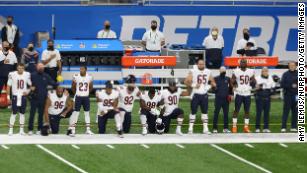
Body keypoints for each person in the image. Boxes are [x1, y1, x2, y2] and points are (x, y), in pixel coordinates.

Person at [185, 59, 216, 134]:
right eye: (200, 64)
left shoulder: (208, 71)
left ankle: (205, 129)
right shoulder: (193, 71)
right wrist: (193, 85)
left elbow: (213, 82)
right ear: (197, 64)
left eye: (202, 64)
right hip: (195, 94)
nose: (201, 65)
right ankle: (190, 128)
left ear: (204, 64)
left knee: (204, 112)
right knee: (193, 111)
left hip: (204, 95)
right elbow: (186, 81)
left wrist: (209, 87)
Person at [28, 63, 57, 135]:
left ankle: (39, 129)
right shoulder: (32, 75)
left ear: (43, 68)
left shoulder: (46, 76)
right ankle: (30, 129)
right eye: (39, 67)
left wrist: (59, 82)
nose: (41, 68)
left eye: (42, 67)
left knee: (40, 115)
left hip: (43, 99)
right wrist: (30, 88)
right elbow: (27, 83)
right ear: (37, 67)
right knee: (32, 114)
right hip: (34, 98)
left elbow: (53, 83)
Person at [67, 66, 94, 136]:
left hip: (86, 97)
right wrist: (77, 93)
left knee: (87, 113)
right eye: (80, 69)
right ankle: (73, 130)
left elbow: (91, 87)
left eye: (82, 69)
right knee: (76, 113)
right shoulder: (76, 76)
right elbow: (72, 87)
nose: (81, 70)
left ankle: (88, 130)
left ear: (86, 70)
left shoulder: (89, 76)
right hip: (78, 97)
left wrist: (86, 93)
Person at [231, 59, 256, 133]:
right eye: (242, 62)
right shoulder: (236, 71)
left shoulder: (250, 71)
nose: (243, 64)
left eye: (244, 62)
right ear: (240, 63)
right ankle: (234, 126)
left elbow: (253, 80)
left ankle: (246, 127)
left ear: (246, 63)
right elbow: (232, 81)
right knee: (236, 110)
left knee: (247, 111)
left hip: (247, 93)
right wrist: (234, 86)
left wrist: (251, 84)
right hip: (239, 93)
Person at [7, 63, 32, 135]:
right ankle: (10, 130)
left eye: (22, 68)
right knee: (14, 113)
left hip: (23, 96)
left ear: (24, 68)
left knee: (22, 113)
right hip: (15, 96)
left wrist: (27, 91)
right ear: (17, 68)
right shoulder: (12, 74)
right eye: (19, 68)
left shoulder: (27, 74)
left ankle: (21, 130)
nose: (20, 69)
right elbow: (8, 86)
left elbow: (31, 85)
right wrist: (8, 97)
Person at [254, 67, 276, 133]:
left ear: (268, 72)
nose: (265, 72)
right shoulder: (257, 78)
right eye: (264, 71)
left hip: (267, 98)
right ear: (261, 72)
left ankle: (266, 128)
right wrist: (257, 87)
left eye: (266, 71)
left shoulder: (270, 78)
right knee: (259, 113)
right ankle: (257, 128)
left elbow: (273, 88)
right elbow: (254, 87)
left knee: (266, 113)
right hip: (259, 98)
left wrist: (271, 92)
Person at [212, 66, 232, 133]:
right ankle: (215, 128)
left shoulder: (228, 78)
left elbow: (231, 88)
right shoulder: (215, 78)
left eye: (224, 70)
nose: (223, 71)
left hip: (226, 99)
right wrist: (215, 89)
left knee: (226, 114)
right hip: (218, 98)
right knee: (216, 113)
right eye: (222, 70)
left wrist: (230, 95)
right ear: (219, 70)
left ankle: (225, 128)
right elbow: (212, 89)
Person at [280, 62, 298, 132]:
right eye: (290, 66)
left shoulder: (299, 74)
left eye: (293, 65)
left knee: (295, 112)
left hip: (296, 96)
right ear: (288, 66)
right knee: (286, 112)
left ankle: (293, 127)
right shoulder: (285, 74)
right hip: (288, 96)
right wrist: (291, 85)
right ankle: (283, 127)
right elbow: (282, 84)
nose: (292, 67)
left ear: (295, 66)